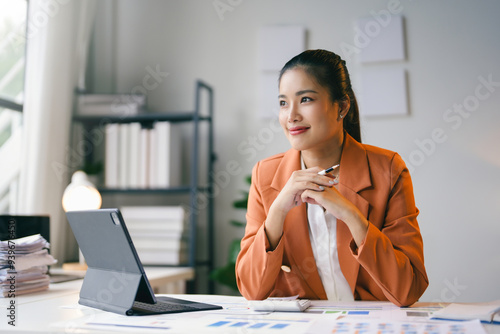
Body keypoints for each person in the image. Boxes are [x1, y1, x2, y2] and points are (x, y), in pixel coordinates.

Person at [235, 49, 428, 307]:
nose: (291, 115)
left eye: (305, 99)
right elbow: (251, 290)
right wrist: (278, 212)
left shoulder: (388, 169)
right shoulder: (265, 175)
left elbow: (408, 289)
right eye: (283, 102)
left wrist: (350, 214)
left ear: (342, 106)